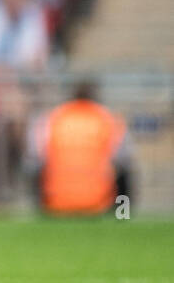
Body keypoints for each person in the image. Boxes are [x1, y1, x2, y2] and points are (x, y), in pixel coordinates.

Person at [28, 80, 131, 216]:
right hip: (99, 203)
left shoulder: (53, 118)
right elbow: (123, 159)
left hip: (56, 202)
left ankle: (41, 209)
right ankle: (122, 214)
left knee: (35, 167)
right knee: (124, 169)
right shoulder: (108, 119)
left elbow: (35, 157)